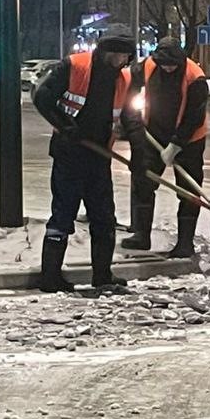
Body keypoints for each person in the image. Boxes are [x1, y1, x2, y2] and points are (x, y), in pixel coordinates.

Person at [32, 36, 135, 292]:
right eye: (116, 55)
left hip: (99, 158)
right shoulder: (75, 66)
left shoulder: (123, 79)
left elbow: (131, 120)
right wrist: (65, 126)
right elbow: (41, 97)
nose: (120, 61)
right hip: (69, 155)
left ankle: (102, 275)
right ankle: (50, 277)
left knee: (104, 218)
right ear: (105, 52)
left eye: (124, 57)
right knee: (63, 215)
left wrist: (142, 159)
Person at [121, 40, 208, 257]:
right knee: (143, 181)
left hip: (190, 140)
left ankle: (185, 243)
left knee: (189, 190)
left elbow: (194, 116)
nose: (168, 68)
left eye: (172, 65)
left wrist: (176, 144)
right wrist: (134, 127)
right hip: (153, 135)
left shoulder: (195, 78)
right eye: (164, 65)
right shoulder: (147, 66)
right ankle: (141, 235)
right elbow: (128, 91)